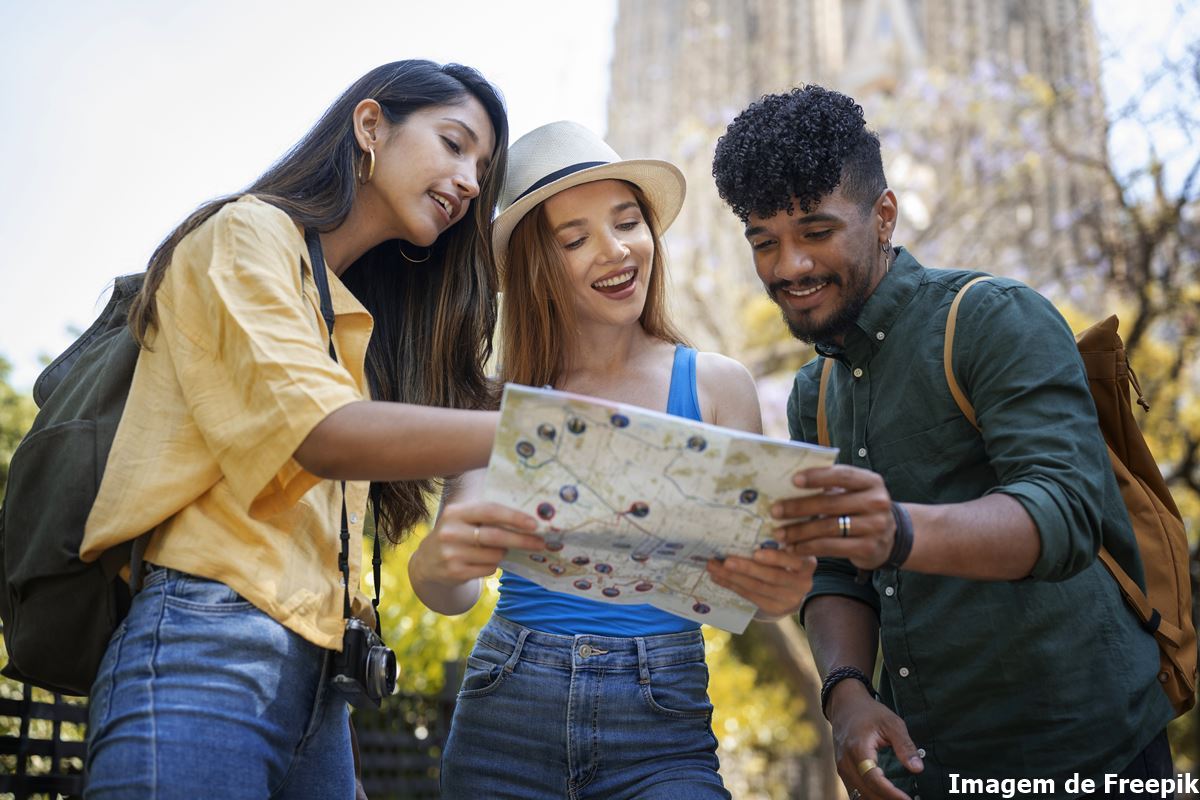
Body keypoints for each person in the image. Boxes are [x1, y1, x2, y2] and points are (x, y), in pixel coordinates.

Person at [710, 86, 1175, 800]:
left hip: (1090, 755)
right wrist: (845, 694)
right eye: (765, 242)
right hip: (925, 771)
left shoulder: (993, 318)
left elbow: (1065, 512)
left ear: (884, 215)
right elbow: (838, 573)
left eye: (816, 231)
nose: (790, 266)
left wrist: (896, 529)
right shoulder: (814, 395)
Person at [80, 60, 513, 800]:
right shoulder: (245, 234)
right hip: (206, 646)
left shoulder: (353, 313)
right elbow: (323, 432)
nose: (471, 181)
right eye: (453, 143)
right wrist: (542, 432)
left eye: (482, 167)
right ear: (370, 126)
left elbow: (456, 406)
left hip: (321, 679)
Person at [407, 121, 816, 799]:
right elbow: (450, 595)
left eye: (628, 222)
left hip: (663, 719)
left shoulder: (717, 386)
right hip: (508, 705)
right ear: (536, 266)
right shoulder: (492, 402)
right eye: (576, 239)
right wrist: (435, 562)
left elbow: (753, 593)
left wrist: (781, 590)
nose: (615, 249)